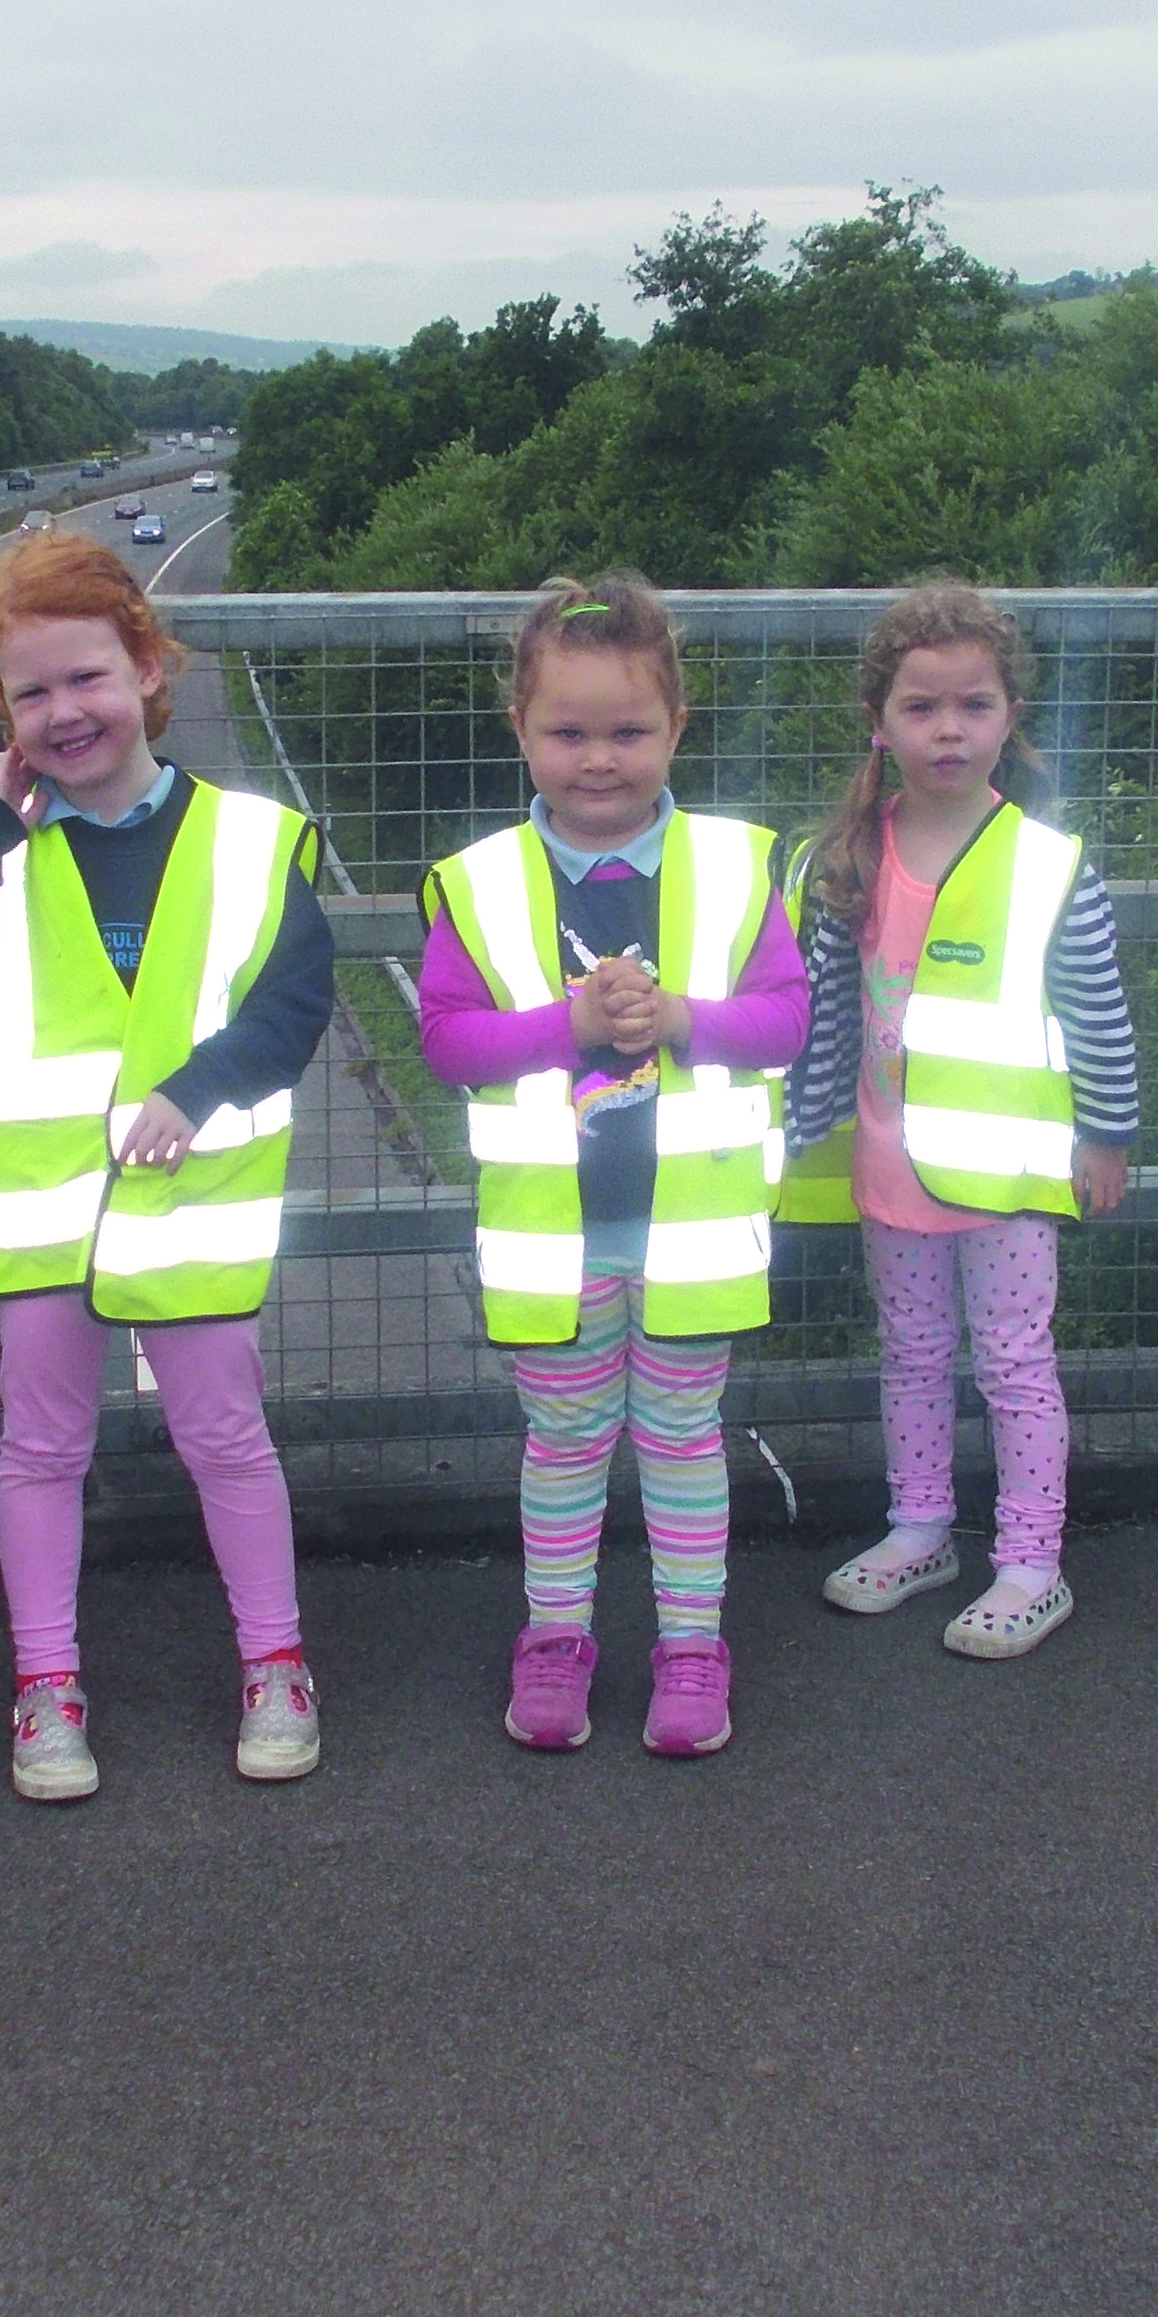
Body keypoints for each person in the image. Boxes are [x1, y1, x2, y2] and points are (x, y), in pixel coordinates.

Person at [0, 530, 338, 1801]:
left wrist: (199, 1090)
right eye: (30, 693)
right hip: (47, 1219)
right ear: (2, 714)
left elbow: (296, 1001)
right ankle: (44, 1683)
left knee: (226, 1441)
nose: (63, 711)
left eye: (85, 678)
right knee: (41, 1449)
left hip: (194, 1208)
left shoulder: (251, 839)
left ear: (146, 665)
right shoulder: (0, 853)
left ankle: (277, 1661)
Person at [416, 575, 809, 1757]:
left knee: (685, 1442)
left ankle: (693, 1646)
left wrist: (680, 1017)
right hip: (555, 1241)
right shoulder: (477, 881)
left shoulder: (742, 867)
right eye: (568, 731)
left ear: (678, 728)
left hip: (690, 1233)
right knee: (567, 1446)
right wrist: (571, 1031)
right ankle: (555, 1634)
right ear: (520, 730)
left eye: (630, 731)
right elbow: (445, 1042)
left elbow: (788, 1022)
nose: (600, 758)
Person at [781, 581, 1139, 1659]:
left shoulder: (1048, 866)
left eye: (973, 706)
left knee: (1016, 1363)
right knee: (913, 1353)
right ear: (878, 721)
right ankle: (922, 1527)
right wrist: (791, 1135)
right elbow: (822, 1023)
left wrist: (1108, 1134)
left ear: (1010, 716)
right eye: (921, 708)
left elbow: (1099, 1010)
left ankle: (1032, 1561)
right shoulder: (842, 860)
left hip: (1011, 1177)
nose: (948, 730)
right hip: (892, 1167)